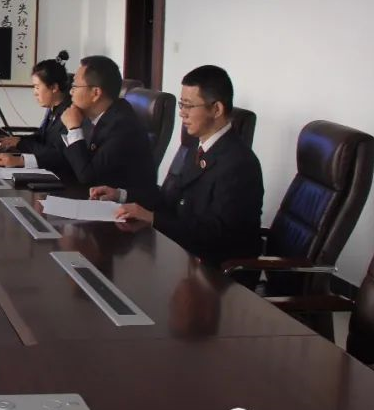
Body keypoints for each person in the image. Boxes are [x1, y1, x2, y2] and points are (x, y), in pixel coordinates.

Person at [92, 65, 264, 269]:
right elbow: (169, 198)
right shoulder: (196, 148)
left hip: (218, 273)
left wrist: (152, 218)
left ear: (216, 109)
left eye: (188, 106)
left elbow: (218, 235)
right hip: (184, 256)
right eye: (181, 105)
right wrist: (121, 195)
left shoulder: (239, 164)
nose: (182, 114)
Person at [45, 55, 155, 193]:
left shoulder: (121, 126)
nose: (71, 92)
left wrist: (73, 128)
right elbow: (67, 159)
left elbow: (88, 177)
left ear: (96, 93)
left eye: (75, 86)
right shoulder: (96, 118)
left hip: (119, 204)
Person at [0, 58, 72, 169]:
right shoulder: (54, 109)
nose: (35, 93)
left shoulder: (69, 114)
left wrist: (21, 158)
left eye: (37, 87)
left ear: (54, 87)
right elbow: (41, 137)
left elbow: (57, 155)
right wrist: (18, 140)